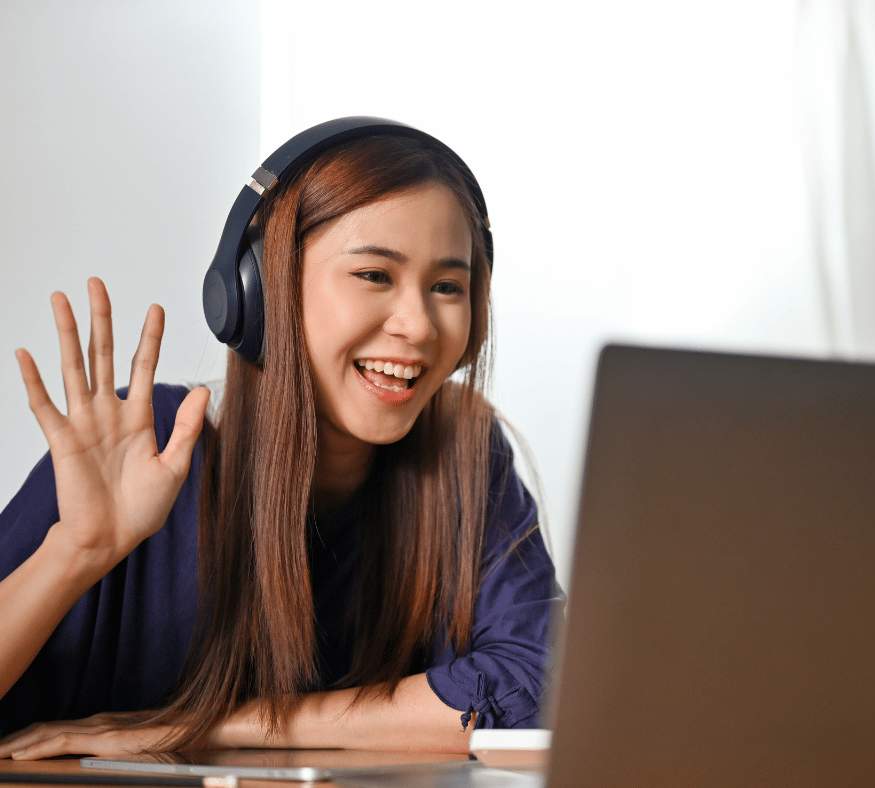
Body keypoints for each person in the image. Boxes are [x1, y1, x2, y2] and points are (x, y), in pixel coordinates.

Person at [0, 119, 560, 758]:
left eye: (446, 287)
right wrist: (76, 548)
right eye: (375, 275)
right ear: (256, 293)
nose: (418, 326)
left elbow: (533, 685)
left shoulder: (465, 453)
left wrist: (214, 725)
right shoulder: (145, 444)